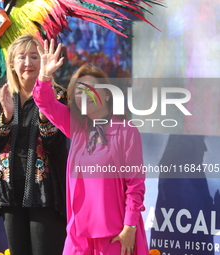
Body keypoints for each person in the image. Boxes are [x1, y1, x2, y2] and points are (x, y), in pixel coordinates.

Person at [32, 39, 148, 255]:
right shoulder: (76, 126)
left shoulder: (126, 131)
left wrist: (129, 227)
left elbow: (135, 185)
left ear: (106, 94)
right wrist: (45, 76)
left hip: (116, 234)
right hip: (79, 235)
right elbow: (45, 102)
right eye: (78, 91)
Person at [0, 34, 67, 255]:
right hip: (10, 192)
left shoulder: (57, 97)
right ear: (12, 63)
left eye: (34, 57)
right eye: (21, 57)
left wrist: (45, 111)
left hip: (45, 194)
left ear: (43, 62)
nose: (28, 63)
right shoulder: (2, 96)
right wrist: (7, 116)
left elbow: (57, 143)